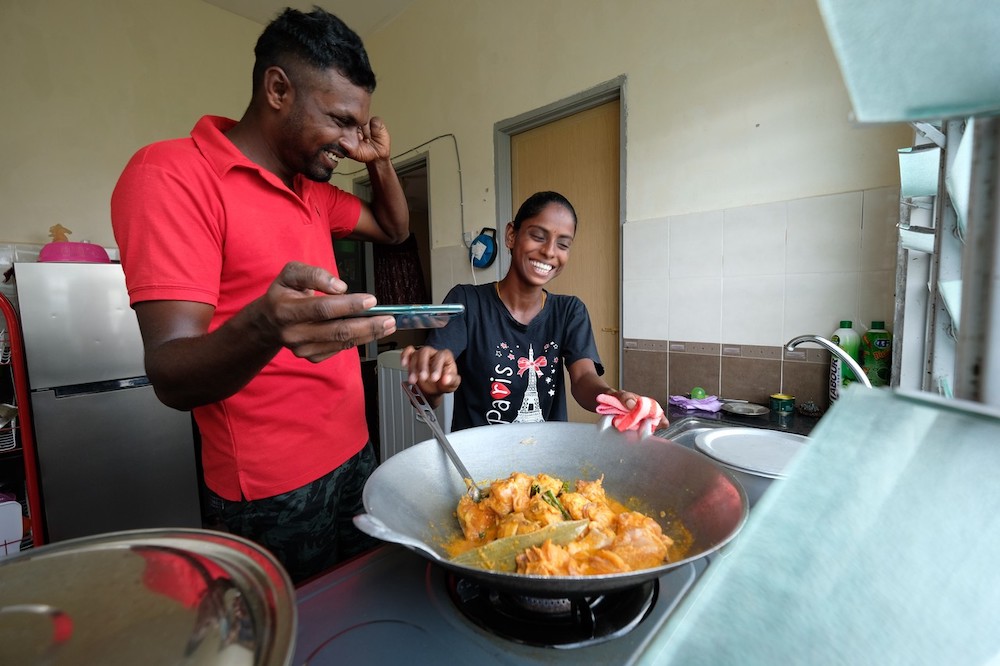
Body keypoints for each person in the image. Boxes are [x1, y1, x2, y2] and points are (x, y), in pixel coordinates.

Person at [110, 8, 409, 584]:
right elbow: (170, 371)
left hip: (355, 450)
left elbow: (394, 230)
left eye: (359, 128)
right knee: (293, 636)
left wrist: (382, 161)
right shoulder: (172, 174)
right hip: (271, 489)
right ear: (277, 89)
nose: (350, 143)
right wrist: (266, 326)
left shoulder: (313, 189)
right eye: (340, 121)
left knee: (363, 609)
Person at [401, 191, 666, 431]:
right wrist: (431, 385)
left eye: (563, 244)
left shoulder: (569, 311)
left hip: (544, 462)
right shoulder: (467, 301)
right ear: (511, 235)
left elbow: (584, 378)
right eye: (538, 236)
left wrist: (615, 397)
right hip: (477, 461)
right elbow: (427, 385)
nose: (550, 251)